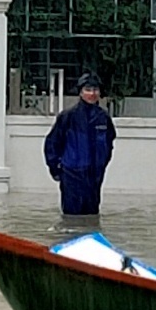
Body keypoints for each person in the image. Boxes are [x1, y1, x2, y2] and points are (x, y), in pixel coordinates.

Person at [44, 72, 117, 216]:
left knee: (91, 218)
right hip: (71, 175)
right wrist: (57, 169)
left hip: (94, 177)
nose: (92, 93)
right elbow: (52, 144)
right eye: (88, 89)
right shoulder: (68, 116)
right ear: (80, 92)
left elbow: (109, 144)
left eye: (95, 90)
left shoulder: (103, 118)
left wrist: (101, 166)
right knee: (71, 219)